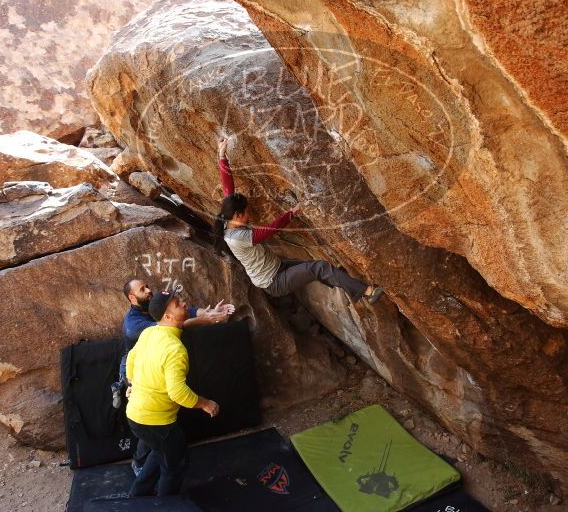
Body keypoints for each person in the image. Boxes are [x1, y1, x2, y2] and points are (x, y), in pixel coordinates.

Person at [214, 136, 384, 303]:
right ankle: (367, 292)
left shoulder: (228, 219)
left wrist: (222, 156)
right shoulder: (237, 238)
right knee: (319, 268)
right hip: (274, 281)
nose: (248, 214)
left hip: (276, 266)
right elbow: (270, 230)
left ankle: (345, 283)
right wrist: (293, 212)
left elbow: (229, 189)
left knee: (316, 267)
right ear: (237, 215)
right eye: (246, 212)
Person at [119, 279, 234, 474]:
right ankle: (141, 466)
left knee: (159, 437)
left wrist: (207, 313)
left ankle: (144, 480)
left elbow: (182, 314)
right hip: (140, 375)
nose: (148, 290)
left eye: (147, 286)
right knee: (152, 429)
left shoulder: (155, 313)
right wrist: (132, 383)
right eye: (142, 289)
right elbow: (170, 324)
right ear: (132, 297)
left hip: (150, 371)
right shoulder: (136, 326)